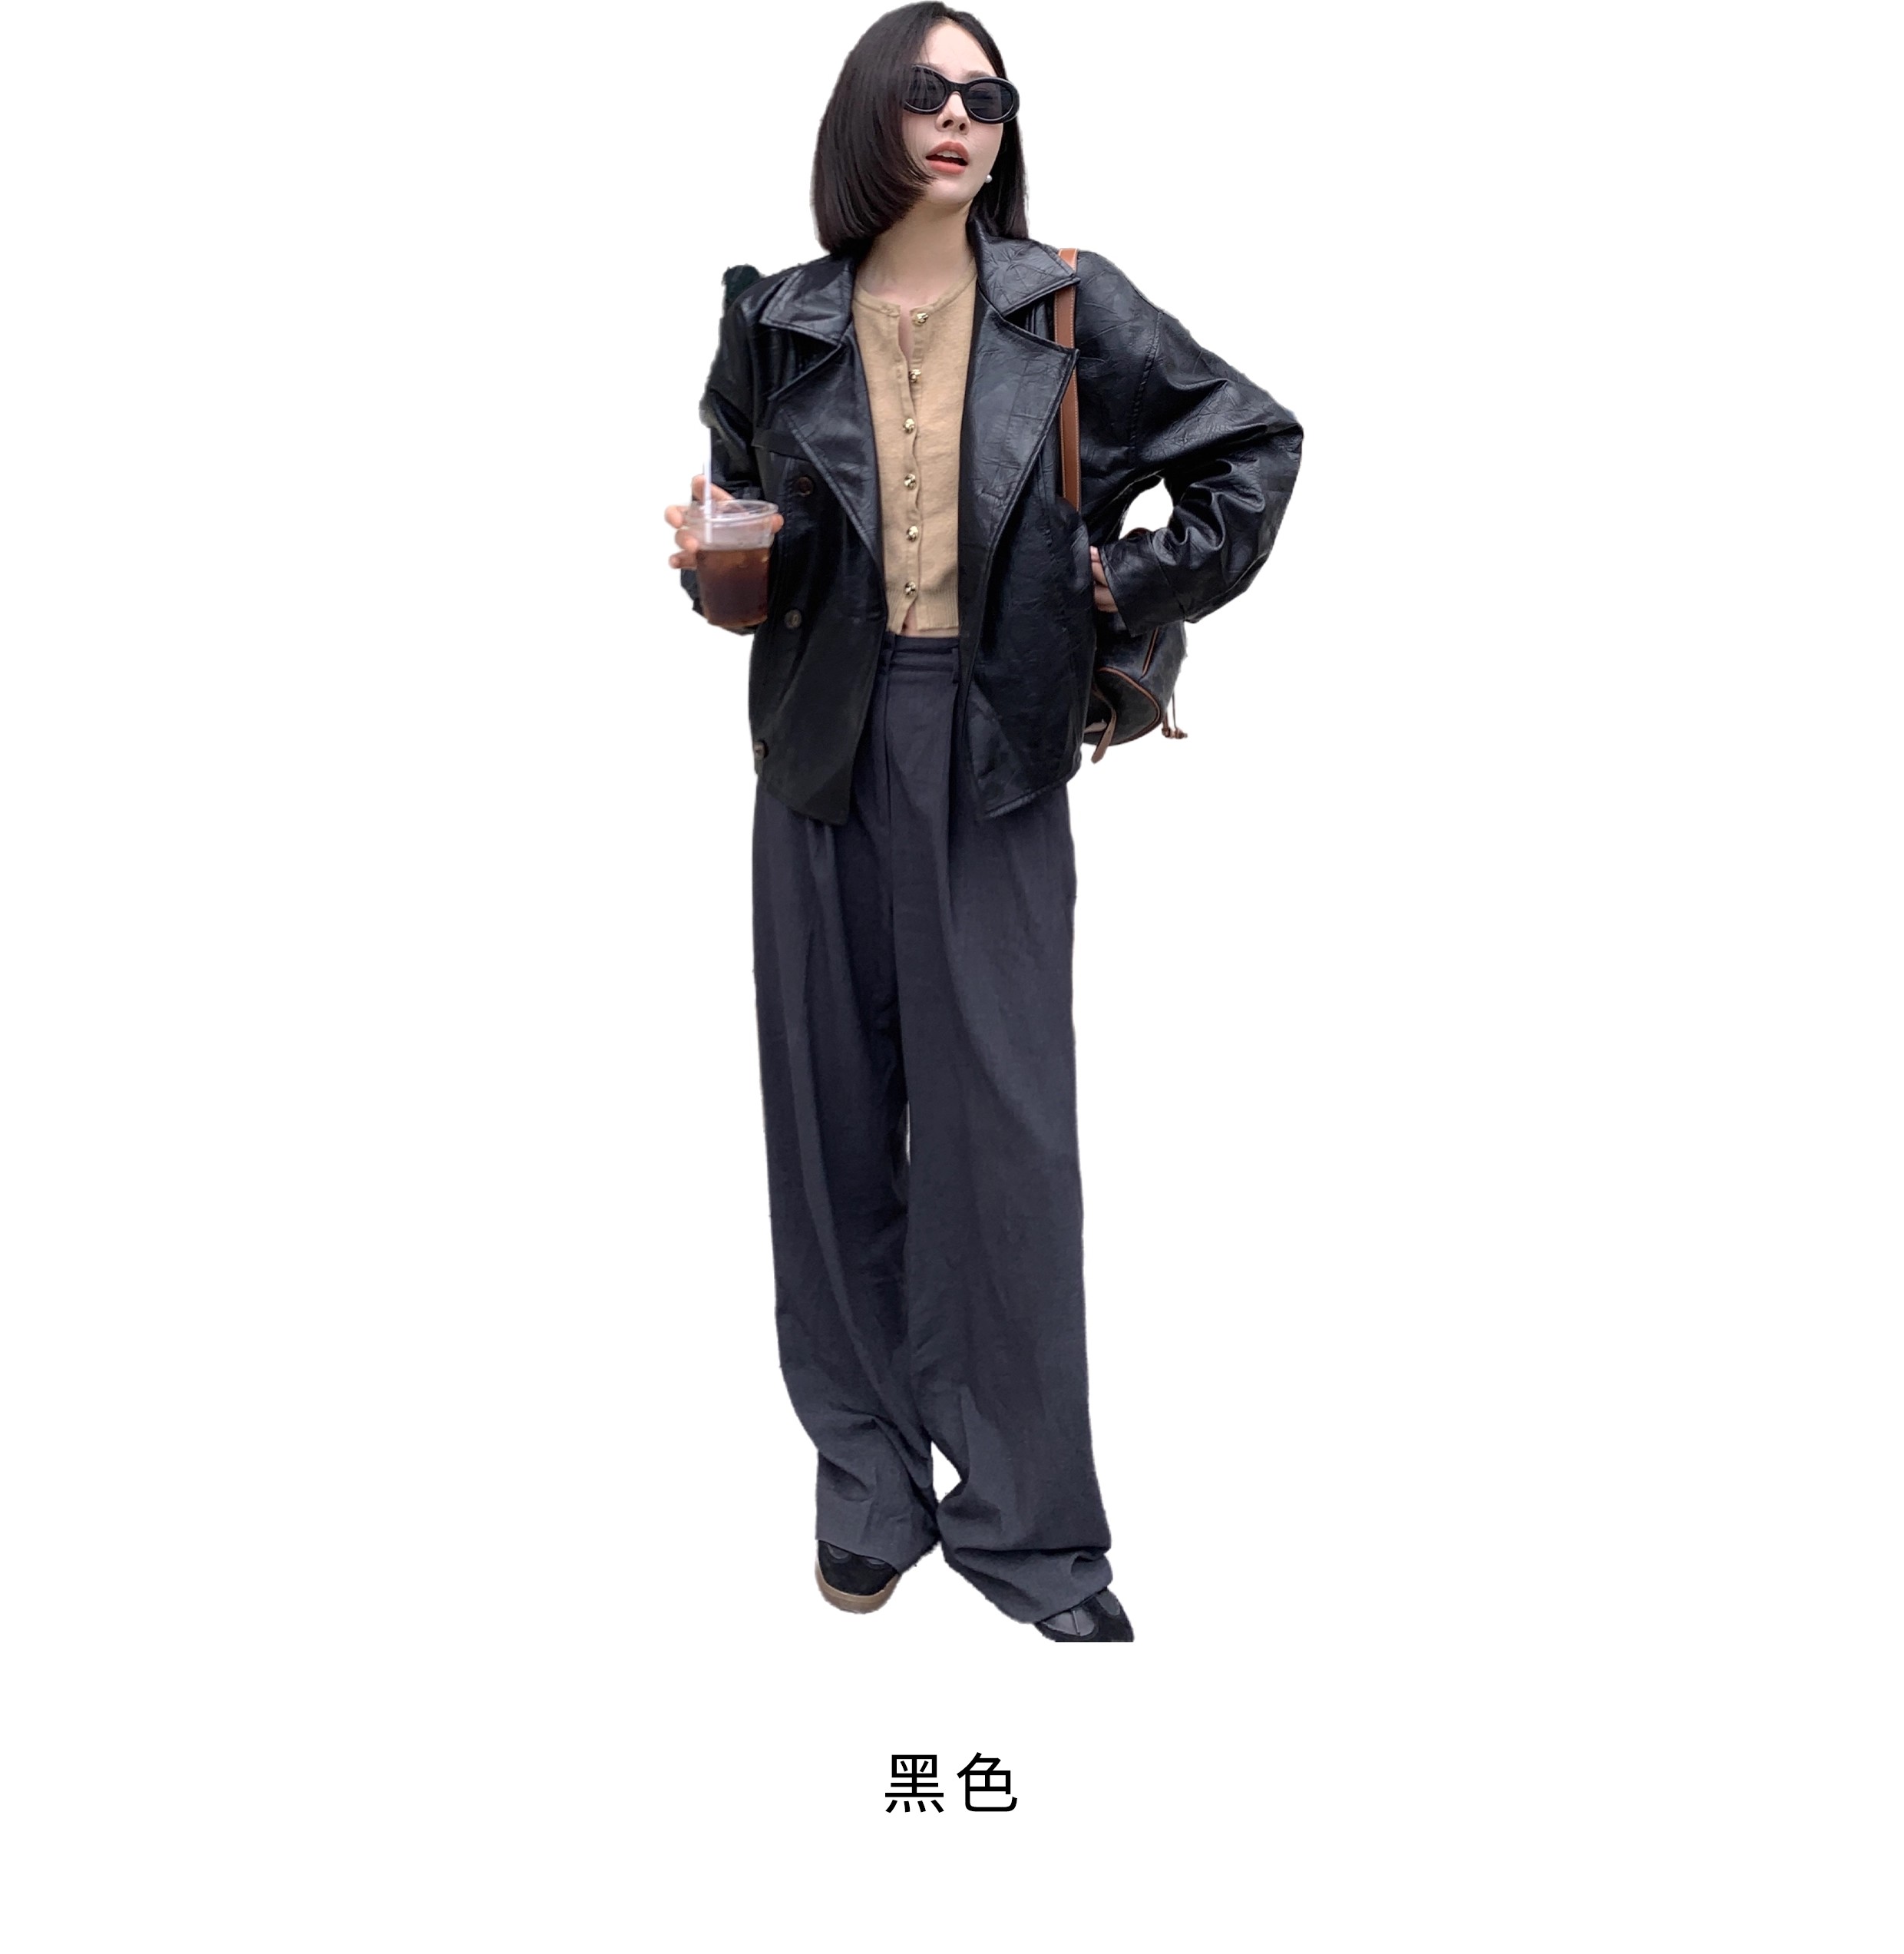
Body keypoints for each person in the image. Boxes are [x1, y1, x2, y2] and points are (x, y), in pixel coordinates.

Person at [664, 3, 1302, 1642]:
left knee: (1002, 1144)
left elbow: (1251, 445)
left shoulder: (1065, 304)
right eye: (927, 90)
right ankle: (867, 1487)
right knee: (828, 1129)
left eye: (987, 95)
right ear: (866, 116)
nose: (960, 116)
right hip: (817, 746)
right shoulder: (774, 320)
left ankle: (1032, 1533)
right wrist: (717, 564)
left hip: (993, 746)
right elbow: (743, 515)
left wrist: (1123, 581)